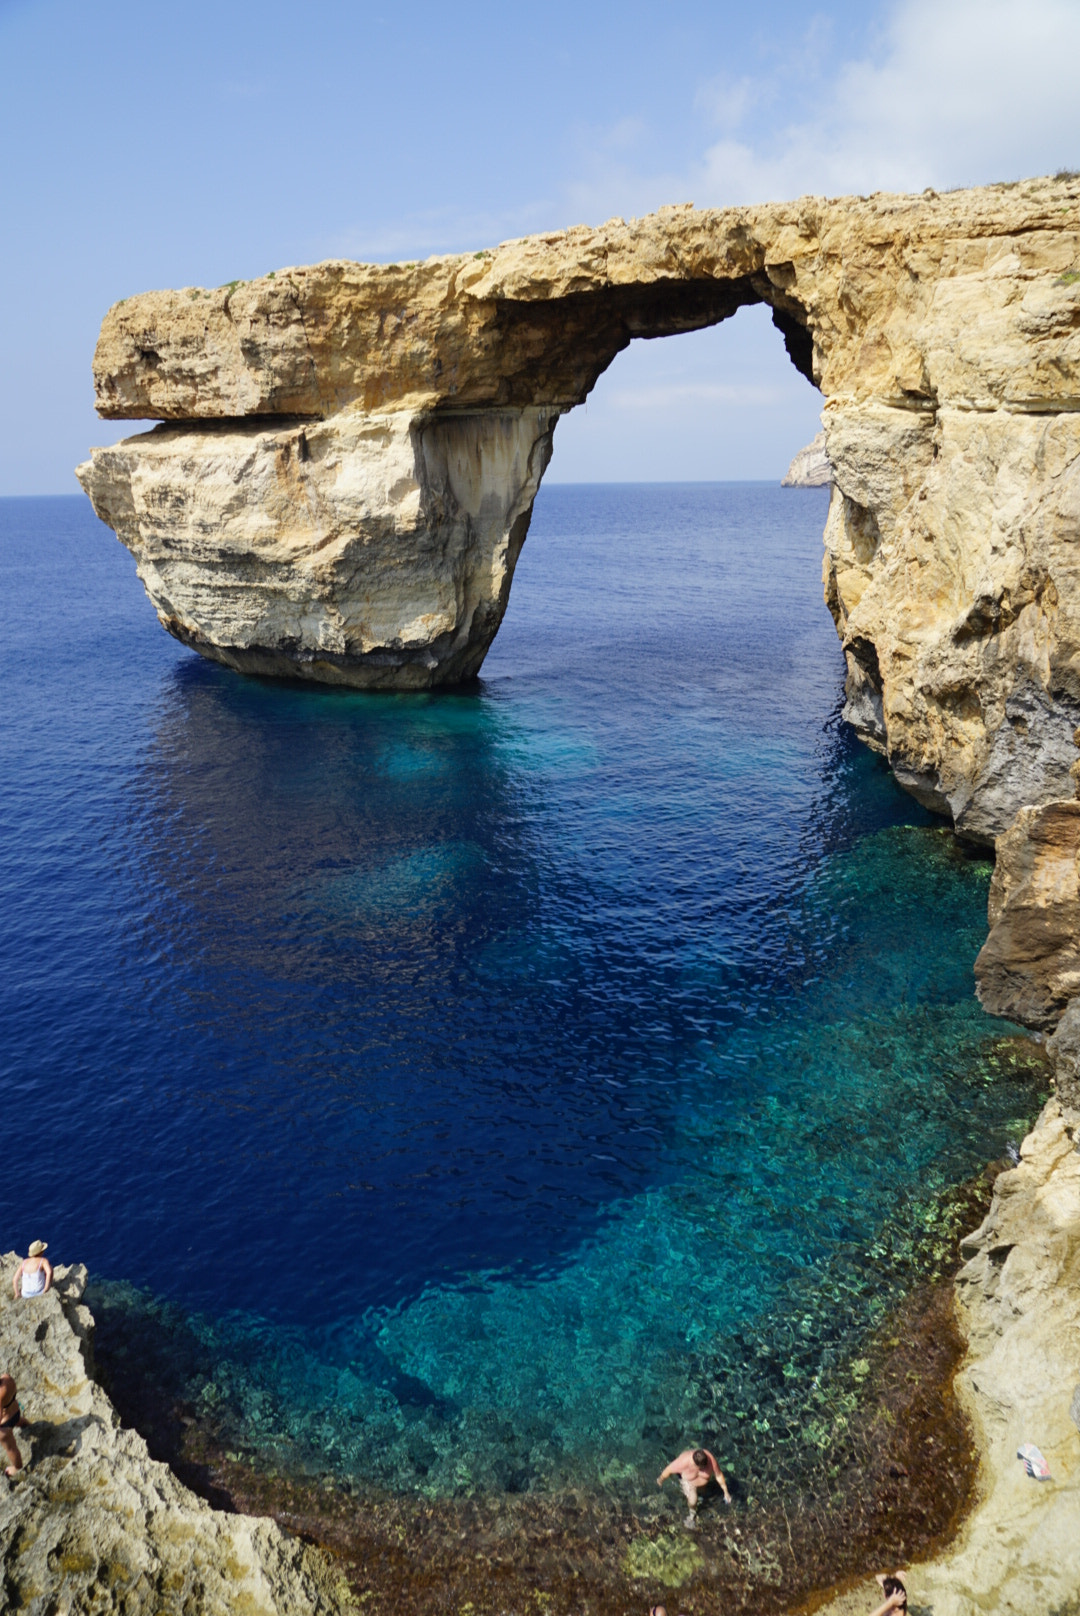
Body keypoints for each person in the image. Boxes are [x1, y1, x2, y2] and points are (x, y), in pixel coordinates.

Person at [657, 1446, 731, 1527]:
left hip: (703, 1485)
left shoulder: (710, 1459)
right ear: (695, 1464)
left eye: (705, 1465)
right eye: (702, 1467)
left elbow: (719, 1475)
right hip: (689, 1482)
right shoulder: (683, 1462)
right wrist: (660, 1480)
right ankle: (691, 1516)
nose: (705, 1468)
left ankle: (701, 1496)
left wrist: (726, 1492)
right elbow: (668, 1470)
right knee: (693, 1500)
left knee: (705, 1493)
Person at [0, 1374, 26, 1478]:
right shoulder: (7, 1378)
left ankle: (17, 1467)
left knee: (11, 1448)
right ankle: (28, 1425)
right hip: (15, 1410)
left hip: (5, 1426)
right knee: (18, 1420)